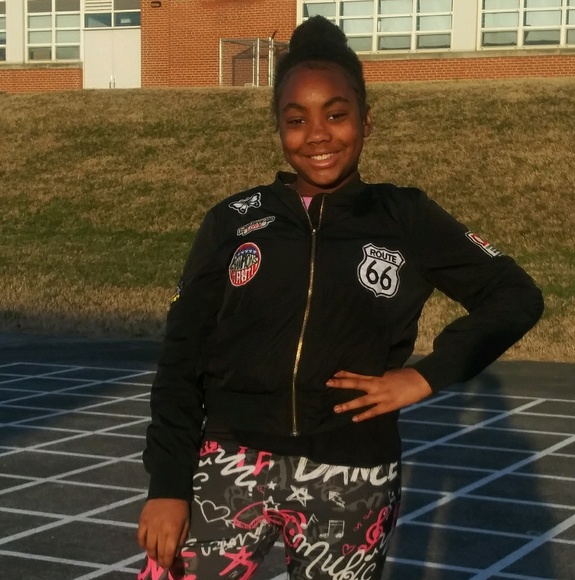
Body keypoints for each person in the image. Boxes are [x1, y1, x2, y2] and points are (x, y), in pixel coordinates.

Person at [136, 15, 543, 580]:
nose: (317, 134)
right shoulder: (232, 221)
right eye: (296, 119)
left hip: (353, 477)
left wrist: (425, 376)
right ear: (279, 127)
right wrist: (167, 485)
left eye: (335, 114)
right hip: (229, 462)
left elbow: (514, 295)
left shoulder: (404, 217)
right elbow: (181, 360)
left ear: (366, 120)